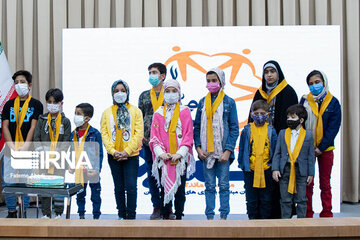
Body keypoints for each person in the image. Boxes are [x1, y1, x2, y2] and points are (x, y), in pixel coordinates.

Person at [249, 60, 298, 218]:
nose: (269, 75)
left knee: (280, 180)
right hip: (261, 146)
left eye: (272, 71)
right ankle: (261, 216)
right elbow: (252, 118)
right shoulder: (260, 93)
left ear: (279, 73)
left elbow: (294, 120)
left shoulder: (288, 92)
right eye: (266, 72)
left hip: (282, 144)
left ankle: (281, 216)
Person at [193, 68, 239, 220]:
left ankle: (224, 217)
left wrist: (228, 151)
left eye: (214, 80)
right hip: (206, 153)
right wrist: (198, 149)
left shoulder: (229, 102)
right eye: (208, 81)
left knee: (224, 186)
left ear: (221, 82)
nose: (211, 83)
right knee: (209, 186)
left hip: (223, 153)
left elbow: (234, 128)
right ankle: (210, 217)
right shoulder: (201, 102)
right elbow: (197, 126)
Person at [149, 79, 195, 220]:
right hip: (165, 158)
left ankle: (179, 215)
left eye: (174, 91)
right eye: (167, 91)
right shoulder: (158, 113)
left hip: (179, 158)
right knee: (163, 189)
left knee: (180, 190)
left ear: (179, 93)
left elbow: (188, 135)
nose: (171, 94)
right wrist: (161, 153)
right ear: (163, 93)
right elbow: (154, 136)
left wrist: (180, 153)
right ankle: (165, 215)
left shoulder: (185, 111)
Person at [1, 70, 43, 218]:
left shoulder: (36, 104)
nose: (19, 85)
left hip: (28, 148)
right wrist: (11, 145)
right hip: (10, 147)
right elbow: (5, 126)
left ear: (29, 85)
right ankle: (12, 210)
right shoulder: (8, 104)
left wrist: (25, 146)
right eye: (16, 83)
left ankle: (22, 210)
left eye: (22, 82)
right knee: (8, 181)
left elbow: (34, 126)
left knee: (25, 182)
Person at [300, 70, 341, 218]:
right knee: (307, 183)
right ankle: (308, 213)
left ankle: (326, 213)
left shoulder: (333, 102)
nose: (314, 86)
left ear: (324, 82)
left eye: (317, 82)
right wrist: (307, 146)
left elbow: (333, 128)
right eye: (311, 84)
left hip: (326, 149)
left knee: (325, 183)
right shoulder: (304, 100)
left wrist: (321, 147)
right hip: (307, 149)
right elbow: (300, 124)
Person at [101, 80, 143, 220]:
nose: (120, 93)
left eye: (122, 90)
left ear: (127, 92)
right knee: (118, 187)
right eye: (116, 91)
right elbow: (105, 134)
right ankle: (121, 215)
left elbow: (138, 133)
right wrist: (113, 151)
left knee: (131, 187)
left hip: (131, 156)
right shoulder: (107, 112)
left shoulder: (135, 111)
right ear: (112, 93)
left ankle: (131, 216)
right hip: (114, 156)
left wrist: (127, 151)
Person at [33, 88, 71, 218]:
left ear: (61, 104)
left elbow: (66, 142)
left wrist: (55, 157)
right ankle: (46, 213)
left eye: (55, 102)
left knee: (59, 186)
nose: (52, 105)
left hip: (59, 160)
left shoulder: (66, 121)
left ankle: (59, 212)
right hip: (44, 160)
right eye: (49, 102)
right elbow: (36, 138)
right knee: (45, 186)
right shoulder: (42, 119)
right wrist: (44, 156)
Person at [272, 104, 315, 219]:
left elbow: (311, 156)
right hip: (285, 169)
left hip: (301, 171)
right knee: (285, 199)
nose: (289, 120)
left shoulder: (308, 135)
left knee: (301, 199)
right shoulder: (282, 133)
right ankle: (285, 223)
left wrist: (311, 173)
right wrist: (275, 169)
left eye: (293, 118)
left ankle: (301, 224)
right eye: (288, 118)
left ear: (301, 120)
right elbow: (277, 153)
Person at [238, 100, 277, 219]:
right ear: (251, 115)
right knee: (251, 199)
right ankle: (252, 222)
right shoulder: (246, 130)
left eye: (262, 113)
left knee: (266, 199)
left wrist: (273, 167)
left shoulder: (271, 130)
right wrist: (243, 165)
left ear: (268, 115)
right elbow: (242, 149)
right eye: (256, 113)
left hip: (266, 169)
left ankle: (265, 224)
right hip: (251, 170)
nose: (259, 115)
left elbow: (274, 150)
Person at [138, 63, 166, 219]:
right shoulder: (143, 95)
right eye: (149, 72)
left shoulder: (170, 92)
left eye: (154, 72)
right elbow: (139, 117)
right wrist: (141, 135)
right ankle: (156, 206)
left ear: (162, 76)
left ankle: (167, 207)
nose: (151, 75)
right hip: (148, 142)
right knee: (152, 175)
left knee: (166, 175)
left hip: (166, 143)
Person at [69, 103, 103, 219]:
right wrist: (71, 164)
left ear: (87, 118)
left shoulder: (95, 133)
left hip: (92, 170)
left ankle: (96, 216)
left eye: (78, 114)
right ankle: (81, 215)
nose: (75, 116)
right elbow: (71, 151)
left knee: (95, 195)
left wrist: (97, 170)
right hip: (79, 170)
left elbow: (100, 154)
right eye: (75, 114)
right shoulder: (73, 134)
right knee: (80, 195)